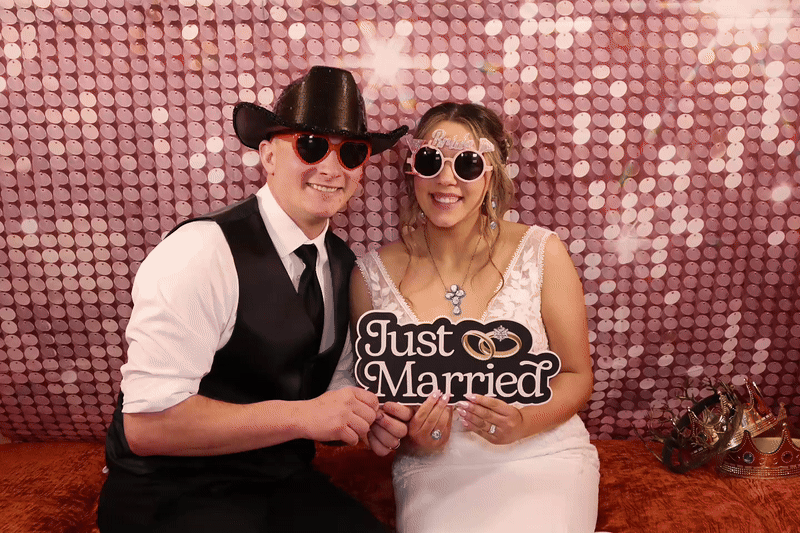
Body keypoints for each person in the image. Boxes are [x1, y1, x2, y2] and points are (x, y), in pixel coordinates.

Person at [97, 66, 412, 532]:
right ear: (267, 154)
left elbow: (330, 394)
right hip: (171, 492)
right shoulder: (201, 251)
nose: (331, 168)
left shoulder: (344, 265)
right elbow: (147, 427)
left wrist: (367, 418)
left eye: (350, 152)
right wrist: (304, 417)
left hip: (280, 482)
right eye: (310, 145)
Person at [349, 102, 600, 532]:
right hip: (434, 468)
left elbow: (577, 375)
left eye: (466, 164)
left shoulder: (542, 252)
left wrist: (521, 423)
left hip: (544, 454)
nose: (446, 179)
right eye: (432, 161)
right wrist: (415, 436)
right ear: (413, 170)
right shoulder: (369, 277)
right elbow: (382, 406)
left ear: (490, 175)